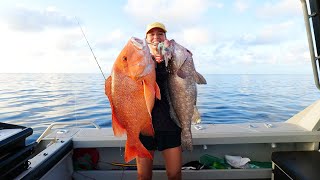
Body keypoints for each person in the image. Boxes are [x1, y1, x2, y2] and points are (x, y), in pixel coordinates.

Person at [137, 22, 182, 180]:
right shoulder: (139, 60)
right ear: (146, 38)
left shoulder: (173, 57)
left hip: (169, 123)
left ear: (165, 38)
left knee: (175, 174)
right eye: (152, 34)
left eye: (160, 34)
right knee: (143, 176)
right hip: (144, 125)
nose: (156, 37)